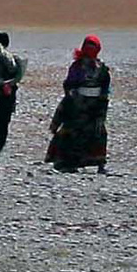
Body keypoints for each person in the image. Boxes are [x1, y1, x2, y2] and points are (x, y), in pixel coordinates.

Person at [48, 35, 112, 174]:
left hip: (95, 105)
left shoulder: (102, 68)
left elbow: (105, 87)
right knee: (73, 132)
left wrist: (102, 102)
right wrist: (72, 95)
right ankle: (68, 162)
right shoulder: (77, 66)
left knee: (99, 132)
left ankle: (99, 162)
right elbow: (69, 84)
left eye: (93, 46)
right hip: (77, 104)